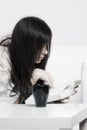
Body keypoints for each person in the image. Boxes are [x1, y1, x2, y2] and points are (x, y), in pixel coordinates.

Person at [0, 16, 53, 104]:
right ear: (26, 46)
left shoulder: (27, 60)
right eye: (40, 46)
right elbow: (3, 106)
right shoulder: (2, 58)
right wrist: (33, 80)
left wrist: (54, 98)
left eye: (46, 45)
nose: (46, 52)